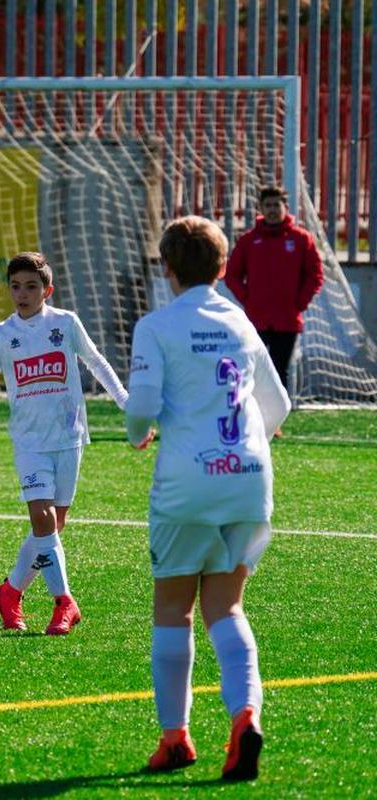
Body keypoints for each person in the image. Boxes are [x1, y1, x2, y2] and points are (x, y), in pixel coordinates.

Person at [127, 216, 289, 781]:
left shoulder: (157, 325)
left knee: (174, 609)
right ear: (224, 267)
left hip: (187, 483)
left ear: (166, 269)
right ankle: (245, 716)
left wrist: (137, 430)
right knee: (227, 607)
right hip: (248, 477)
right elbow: (279, 409)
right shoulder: (241, 323)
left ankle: (175, 739)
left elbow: (141, 405)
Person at [0, 252, 127, 635]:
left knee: (53, 528)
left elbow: (97, 362)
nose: (22, 294)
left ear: (47, 290)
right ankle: (64, 602)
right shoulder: (3, 334)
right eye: (15, 286)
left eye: (31, 286)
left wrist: (126, 403)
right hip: (29, 442)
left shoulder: (66, 324)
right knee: (42, 519)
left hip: (69, 437)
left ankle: (10, 591)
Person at [224, 185, 323, 428]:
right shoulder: (249, 240)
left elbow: (315, 275)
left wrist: (299, 303)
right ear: (261, 209)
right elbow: (232, 275)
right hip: (255, 319)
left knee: (279, 372)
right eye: (267, 205)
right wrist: (248, 300)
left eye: (276, 205)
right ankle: (248, 416)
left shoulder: (301, 239)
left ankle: (275, 423)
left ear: (285, 208)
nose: (272, 210)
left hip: (287, 319)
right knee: (251, 369)